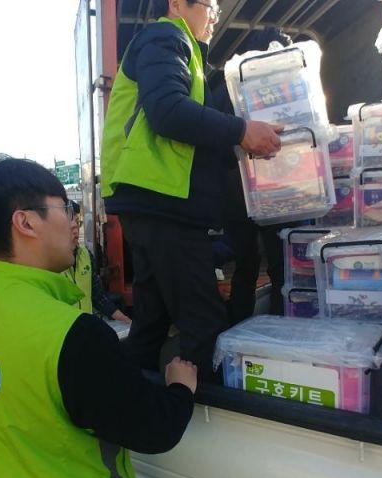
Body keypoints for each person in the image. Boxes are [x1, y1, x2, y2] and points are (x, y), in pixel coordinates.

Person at [0, 156, 197, 478]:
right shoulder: (73, 335)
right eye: (66, 208)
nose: (74, 222)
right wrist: (180, 387)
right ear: (25, 222)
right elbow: (153, 429)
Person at [100, 0, 282, 380]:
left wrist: (242, 140)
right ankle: (197, 406)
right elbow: (167, 111)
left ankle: (131, 398)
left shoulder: (188, 55)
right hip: (161, 199)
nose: (215, 14)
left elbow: (193, 130)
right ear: (177, 3)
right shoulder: (166, 37)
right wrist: (241, 131)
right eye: (210, 5)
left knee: (152, 318)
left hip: (150, 199)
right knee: (203, 320)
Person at [211, 29, 296, 324]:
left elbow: (215, 141)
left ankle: (239, 330)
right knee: (280, 266)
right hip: (272, 189)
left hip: (234, 192)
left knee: (246, 265)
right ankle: (278, 329)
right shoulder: (286, 87)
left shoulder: (225, 86)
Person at [65, 201, 130, 323]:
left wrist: (123, 318)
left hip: (84, 328)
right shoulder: (46, 264)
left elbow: (97, 295)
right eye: (69, 224)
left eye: (77, 223)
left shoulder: (85, 255)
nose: (75, 230)